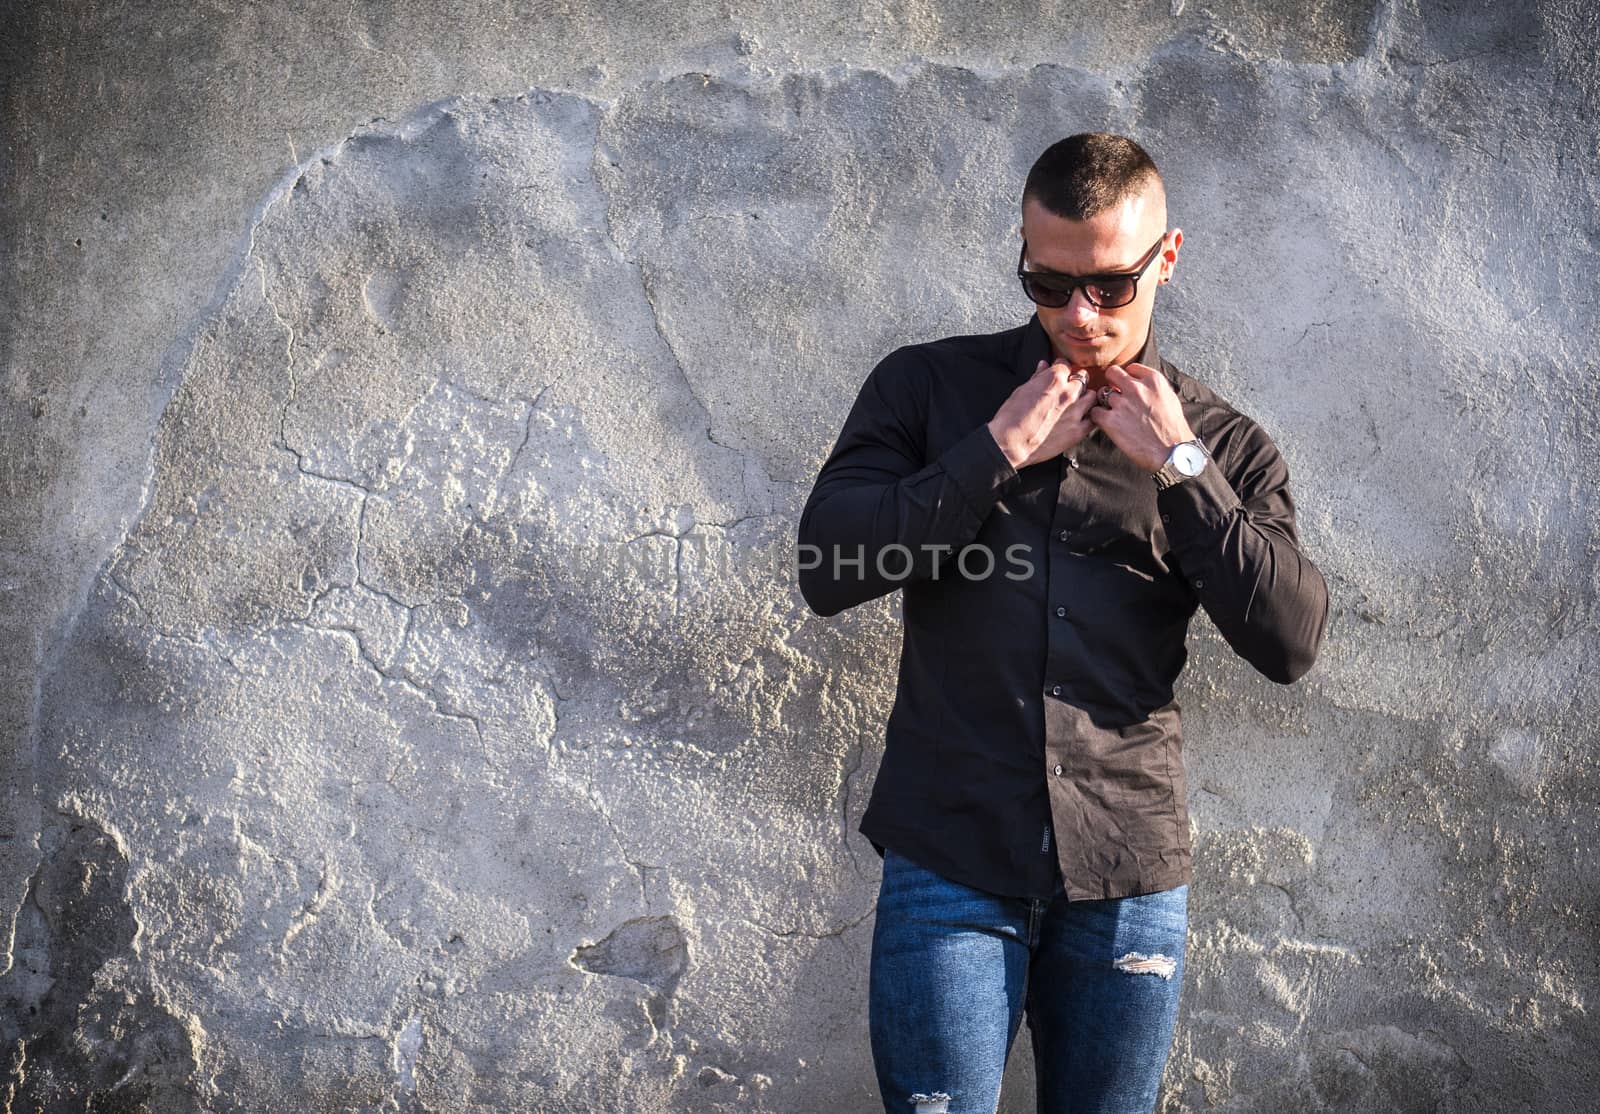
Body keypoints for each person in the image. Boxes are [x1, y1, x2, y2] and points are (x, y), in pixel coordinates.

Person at [794, 132, 1330, 1114]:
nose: (1077, 315)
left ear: (1164, 258)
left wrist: (1180, 468)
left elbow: (1290, 639)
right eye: (1047, 283)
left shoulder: (1224, 445)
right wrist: (994, 448)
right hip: (950, 853)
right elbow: (826, 565)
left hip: (1125, 871)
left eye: (1110, 287)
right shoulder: (929, 390)